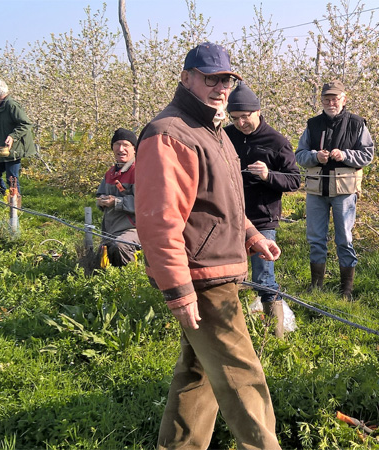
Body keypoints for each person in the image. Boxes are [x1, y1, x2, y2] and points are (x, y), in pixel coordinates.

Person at [134, 42, 282, 450]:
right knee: (242, 377)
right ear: (186, 78)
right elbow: (159, 220)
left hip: (216, 266)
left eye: (227, 79)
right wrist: (178, 289)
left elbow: (224, 202)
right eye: (210, 77)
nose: (221, 87)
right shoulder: (170, 133)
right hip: (202, 276)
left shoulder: (212, 130)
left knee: (196, 372)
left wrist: (253, 237)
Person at [224, 81, 301, 338]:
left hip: (262, 218)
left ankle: (276, 337)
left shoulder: (276, 141)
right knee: (226, 274)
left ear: (257, 111)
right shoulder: (224, 136)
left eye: (244, 117)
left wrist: (269, 175)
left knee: (264, 277)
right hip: (228, 215)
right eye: (234, 118)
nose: (240, 123)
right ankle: (232, 330)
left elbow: (294, 180)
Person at [294, 80, 374, 300]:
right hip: (316, 190)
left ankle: (346, 290)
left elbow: (367, 155)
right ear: (321, 100)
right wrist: (314, 157)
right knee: (315, 238)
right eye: (327, 99)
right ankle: (316, 286)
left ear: (344, 99)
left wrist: (346, 155)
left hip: (344, 191)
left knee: (344, 239)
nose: (331, 102)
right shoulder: (312, 124)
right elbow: (299, 155)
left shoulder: (357, 124)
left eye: (335, 98)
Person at [95, 128, 140, 267]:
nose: (121, 149)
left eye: (126, 145)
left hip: (134, 229)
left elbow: (144, 203)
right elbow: (99, 195)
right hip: (110, 230)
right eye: (117, 144)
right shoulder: (110, 173)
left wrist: (116, 202)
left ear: (134, 149)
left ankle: (131, 282)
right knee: (100, 258)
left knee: (120, 246)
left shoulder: (139, 171)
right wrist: (101, 201)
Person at [0, 78, 36, 197]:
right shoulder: (0, 107)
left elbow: (25, 124)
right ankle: (4, 199)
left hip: (13, 149)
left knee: (12, 179)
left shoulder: (11, 105)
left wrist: (13, 136)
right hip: (1, 149)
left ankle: (15, 208)